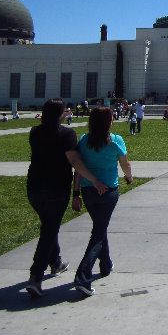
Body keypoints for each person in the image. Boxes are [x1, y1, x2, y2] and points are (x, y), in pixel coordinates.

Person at [25, 99, 107, 298]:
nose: (68, 112)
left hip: (34, 187)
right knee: (49, 229)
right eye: (65, 110)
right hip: (56, 188)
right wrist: (93, 180)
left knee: (48, 226)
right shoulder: (67, 134)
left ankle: (56, 262)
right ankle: (36, 276)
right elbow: (74, 160)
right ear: (60, 114)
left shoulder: (34, 132)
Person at [72, 106, 133, 297]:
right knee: (98, 232)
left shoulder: (83, 140)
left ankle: (105, 265)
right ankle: (83, 275)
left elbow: (77, 168)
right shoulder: (115, 141)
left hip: (88, 191)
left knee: (100, 227)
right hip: (108, 192)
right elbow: (125, 164)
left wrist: (75, 193)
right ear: (109, 122)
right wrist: (129, 177)